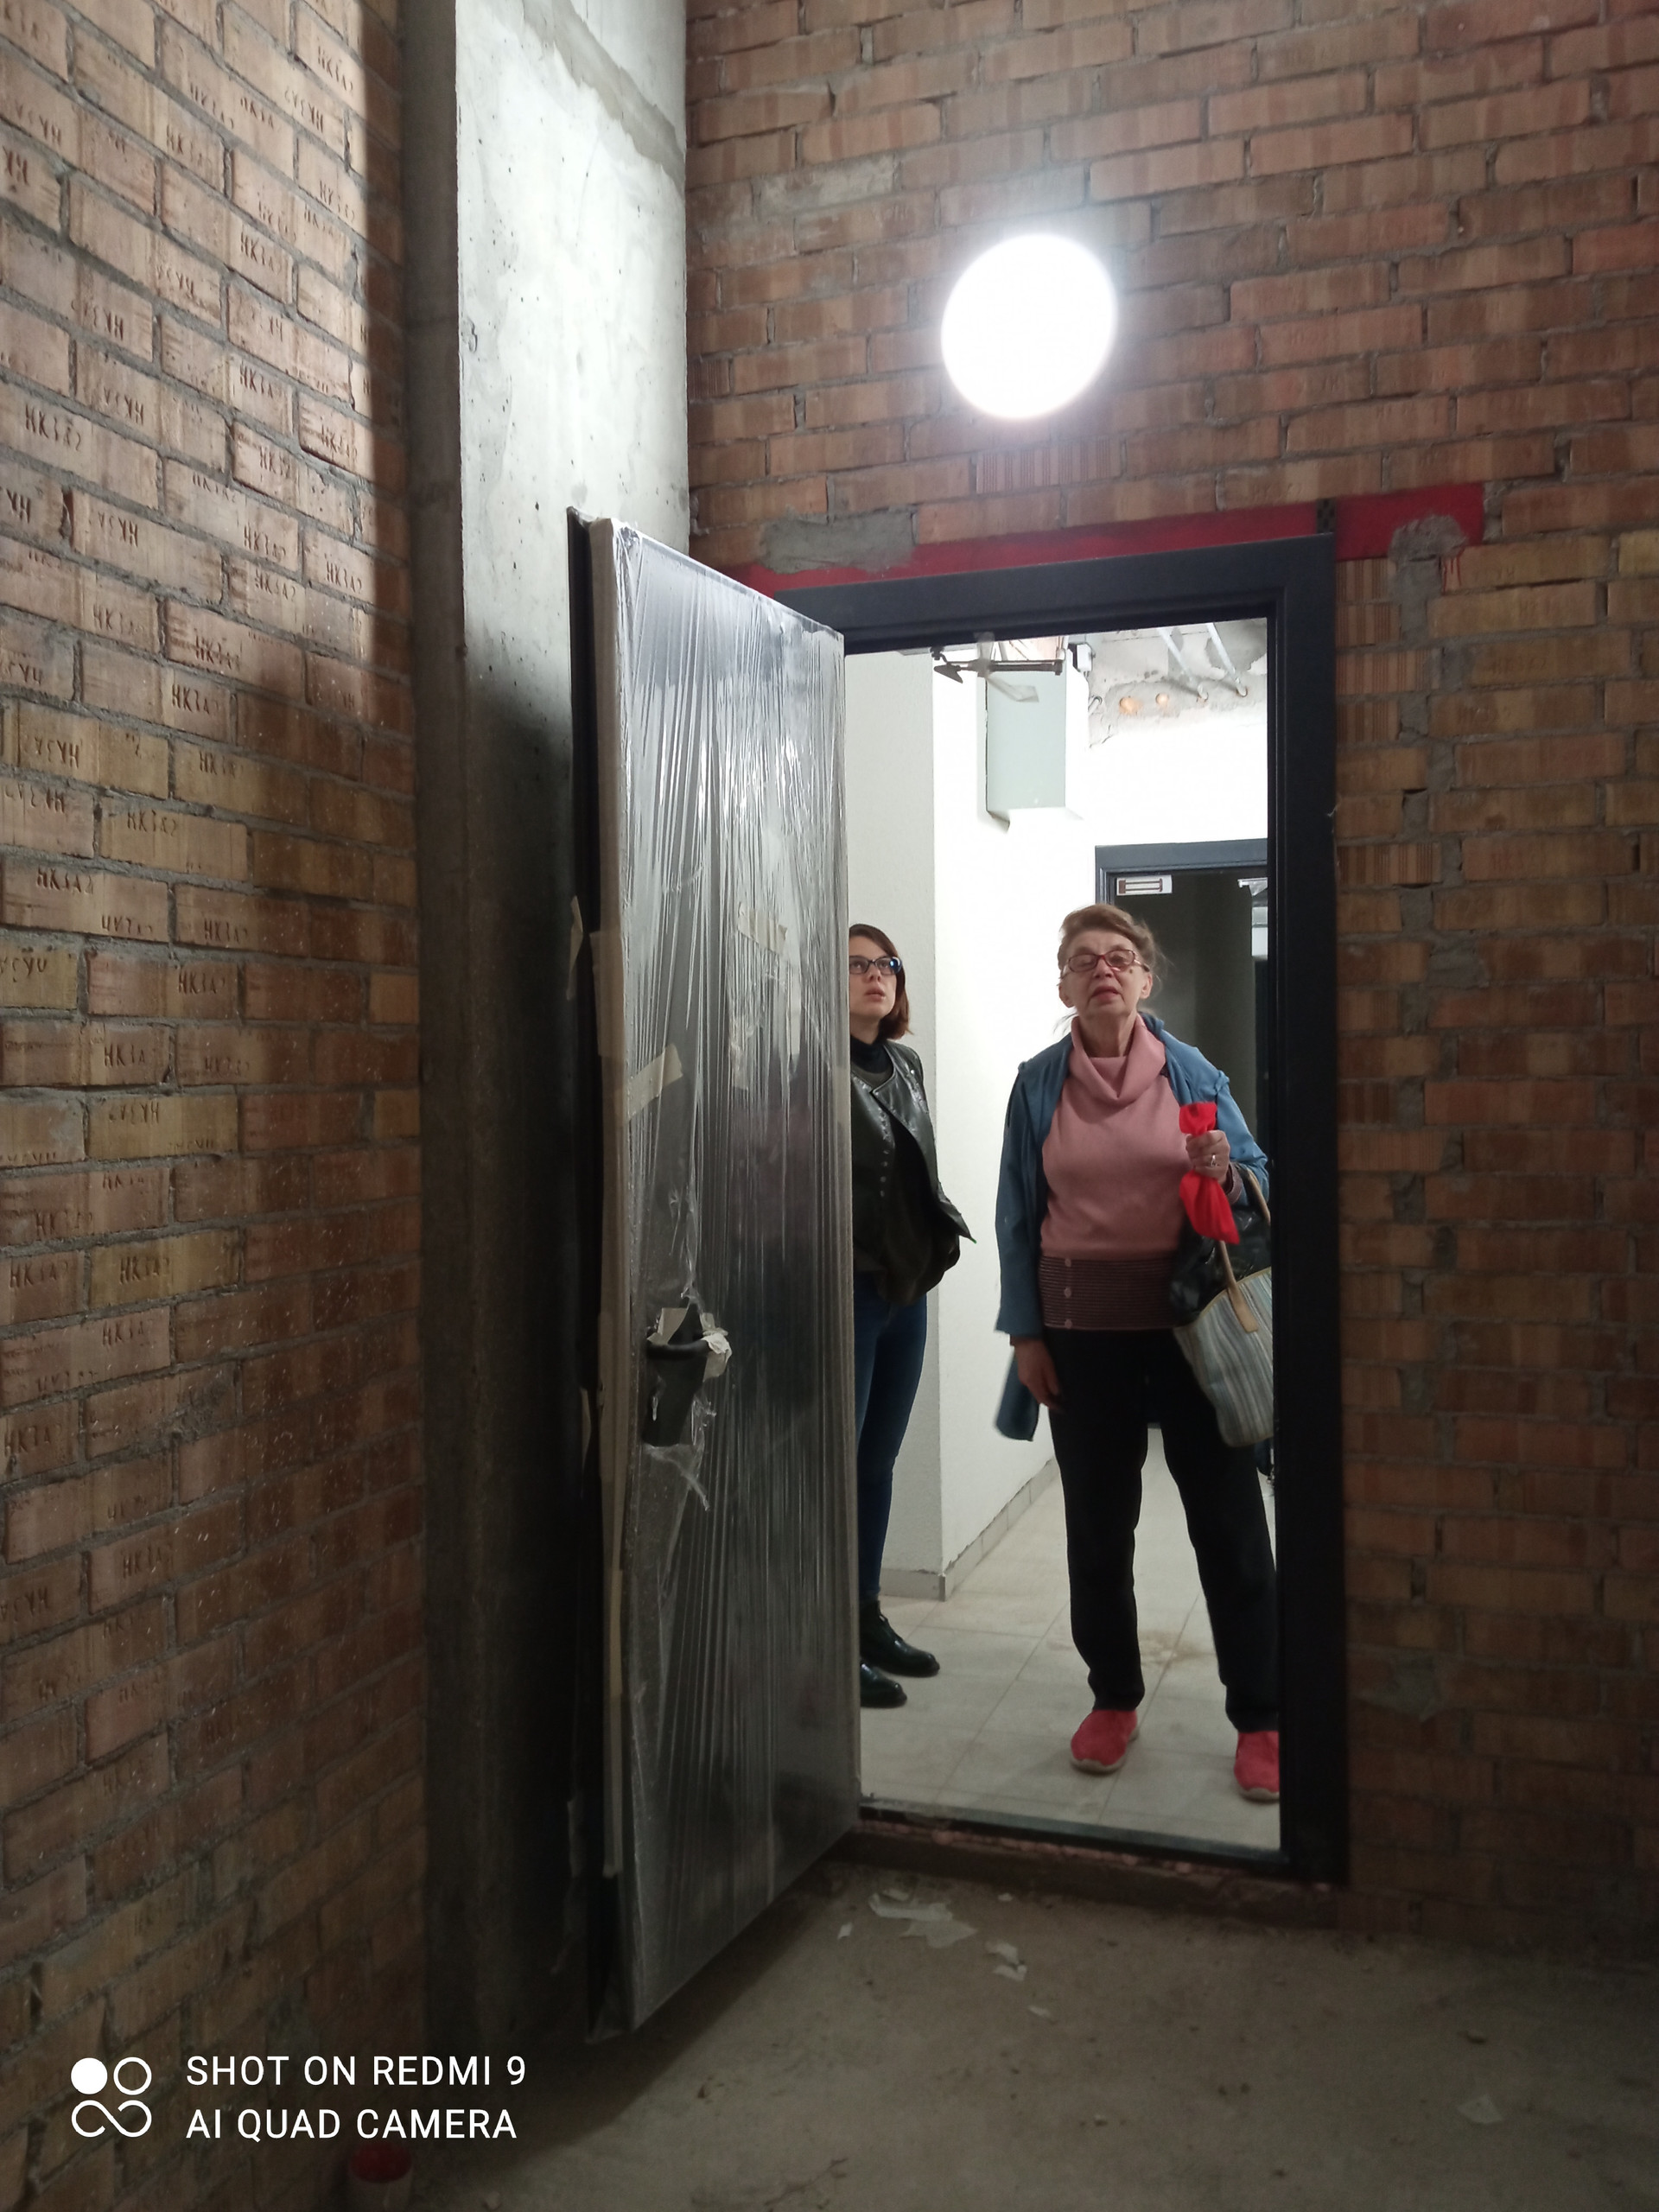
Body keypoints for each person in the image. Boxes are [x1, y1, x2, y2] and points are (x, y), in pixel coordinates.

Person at [992, 903, 1281, 1802]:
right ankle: (1113, 1697)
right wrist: (1026, 1335)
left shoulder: (1194, 1072)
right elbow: (1016, 1218)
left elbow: (1261, 1177)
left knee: (1229, 1522)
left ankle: (1263, 1713)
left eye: (1120, 957)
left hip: (1195, 1333)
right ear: (1064, 985)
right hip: (1081, 1338)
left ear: (1146, 978)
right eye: (1084, 960)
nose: (1104, 970)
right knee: (1097, 1524)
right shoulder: (1038, 1085)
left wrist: (1227, 1170)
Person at [848, 925, 970, 1709]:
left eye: (885, 964)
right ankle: (826, 1631)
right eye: (857, 965)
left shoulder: (906, 1065)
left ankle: (865, 1617)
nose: (876, 976)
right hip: (847, 1288)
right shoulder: (806, 1064)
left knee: (878, 1461)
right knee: (836, 1464)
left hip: (905, 1288)